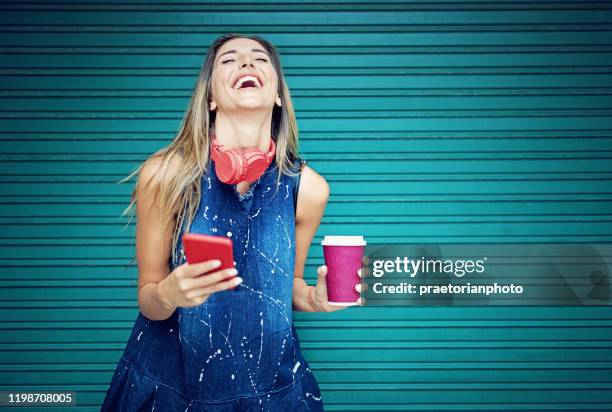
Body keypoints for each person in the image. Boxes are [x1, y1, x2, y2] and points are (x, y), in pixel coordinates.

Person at [100, 33, 363, 411]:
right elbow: (149, 298)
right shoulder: (165, 175)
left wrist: (315, 299)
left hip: (272, 393)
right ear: (210, 98)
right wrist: (169, 294)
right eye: (229, 60)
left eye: (260, 59)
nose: (246, 63)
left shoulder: (309, 188)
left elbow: (285, 285)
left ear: (276, 95)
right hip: (170, 392)